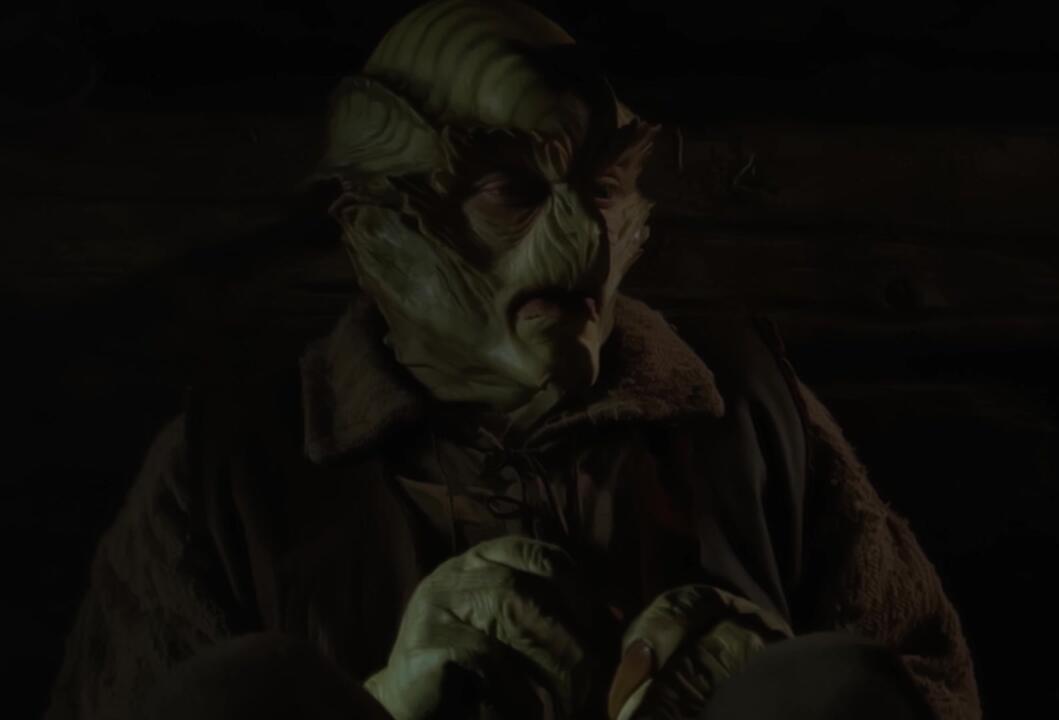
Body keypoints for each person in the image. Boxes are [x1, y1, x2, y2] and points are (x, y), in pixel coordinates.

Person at [45, 1, 981, 718]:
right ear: (375, 230)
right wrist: (383, 707)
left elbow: (934, 687)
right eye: (512, 190)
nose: (586, 241)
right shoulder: (233, 459)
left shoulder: (747, 405)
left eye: (602, 187)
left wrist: (773, 681)